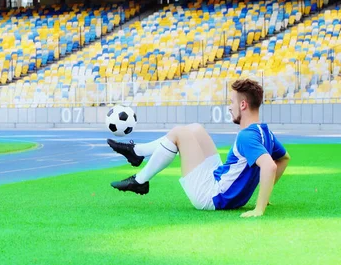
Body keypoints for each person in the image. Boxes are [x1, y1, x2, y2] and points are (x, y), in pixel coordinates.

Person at [108, 78, 291, 217]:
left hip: (212, 196)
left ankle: (140, 180)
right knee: (196, 128)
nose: (229, 107)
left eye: (231, 102)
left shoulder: (246, 136)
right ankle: (137, 152)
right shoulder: (265, 132)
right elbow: (284, 158)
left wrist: (259, 208)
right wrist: (263, 196)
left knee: (179, 133)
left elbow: (270, 166)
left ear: (243, 105)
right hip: (222, 185)